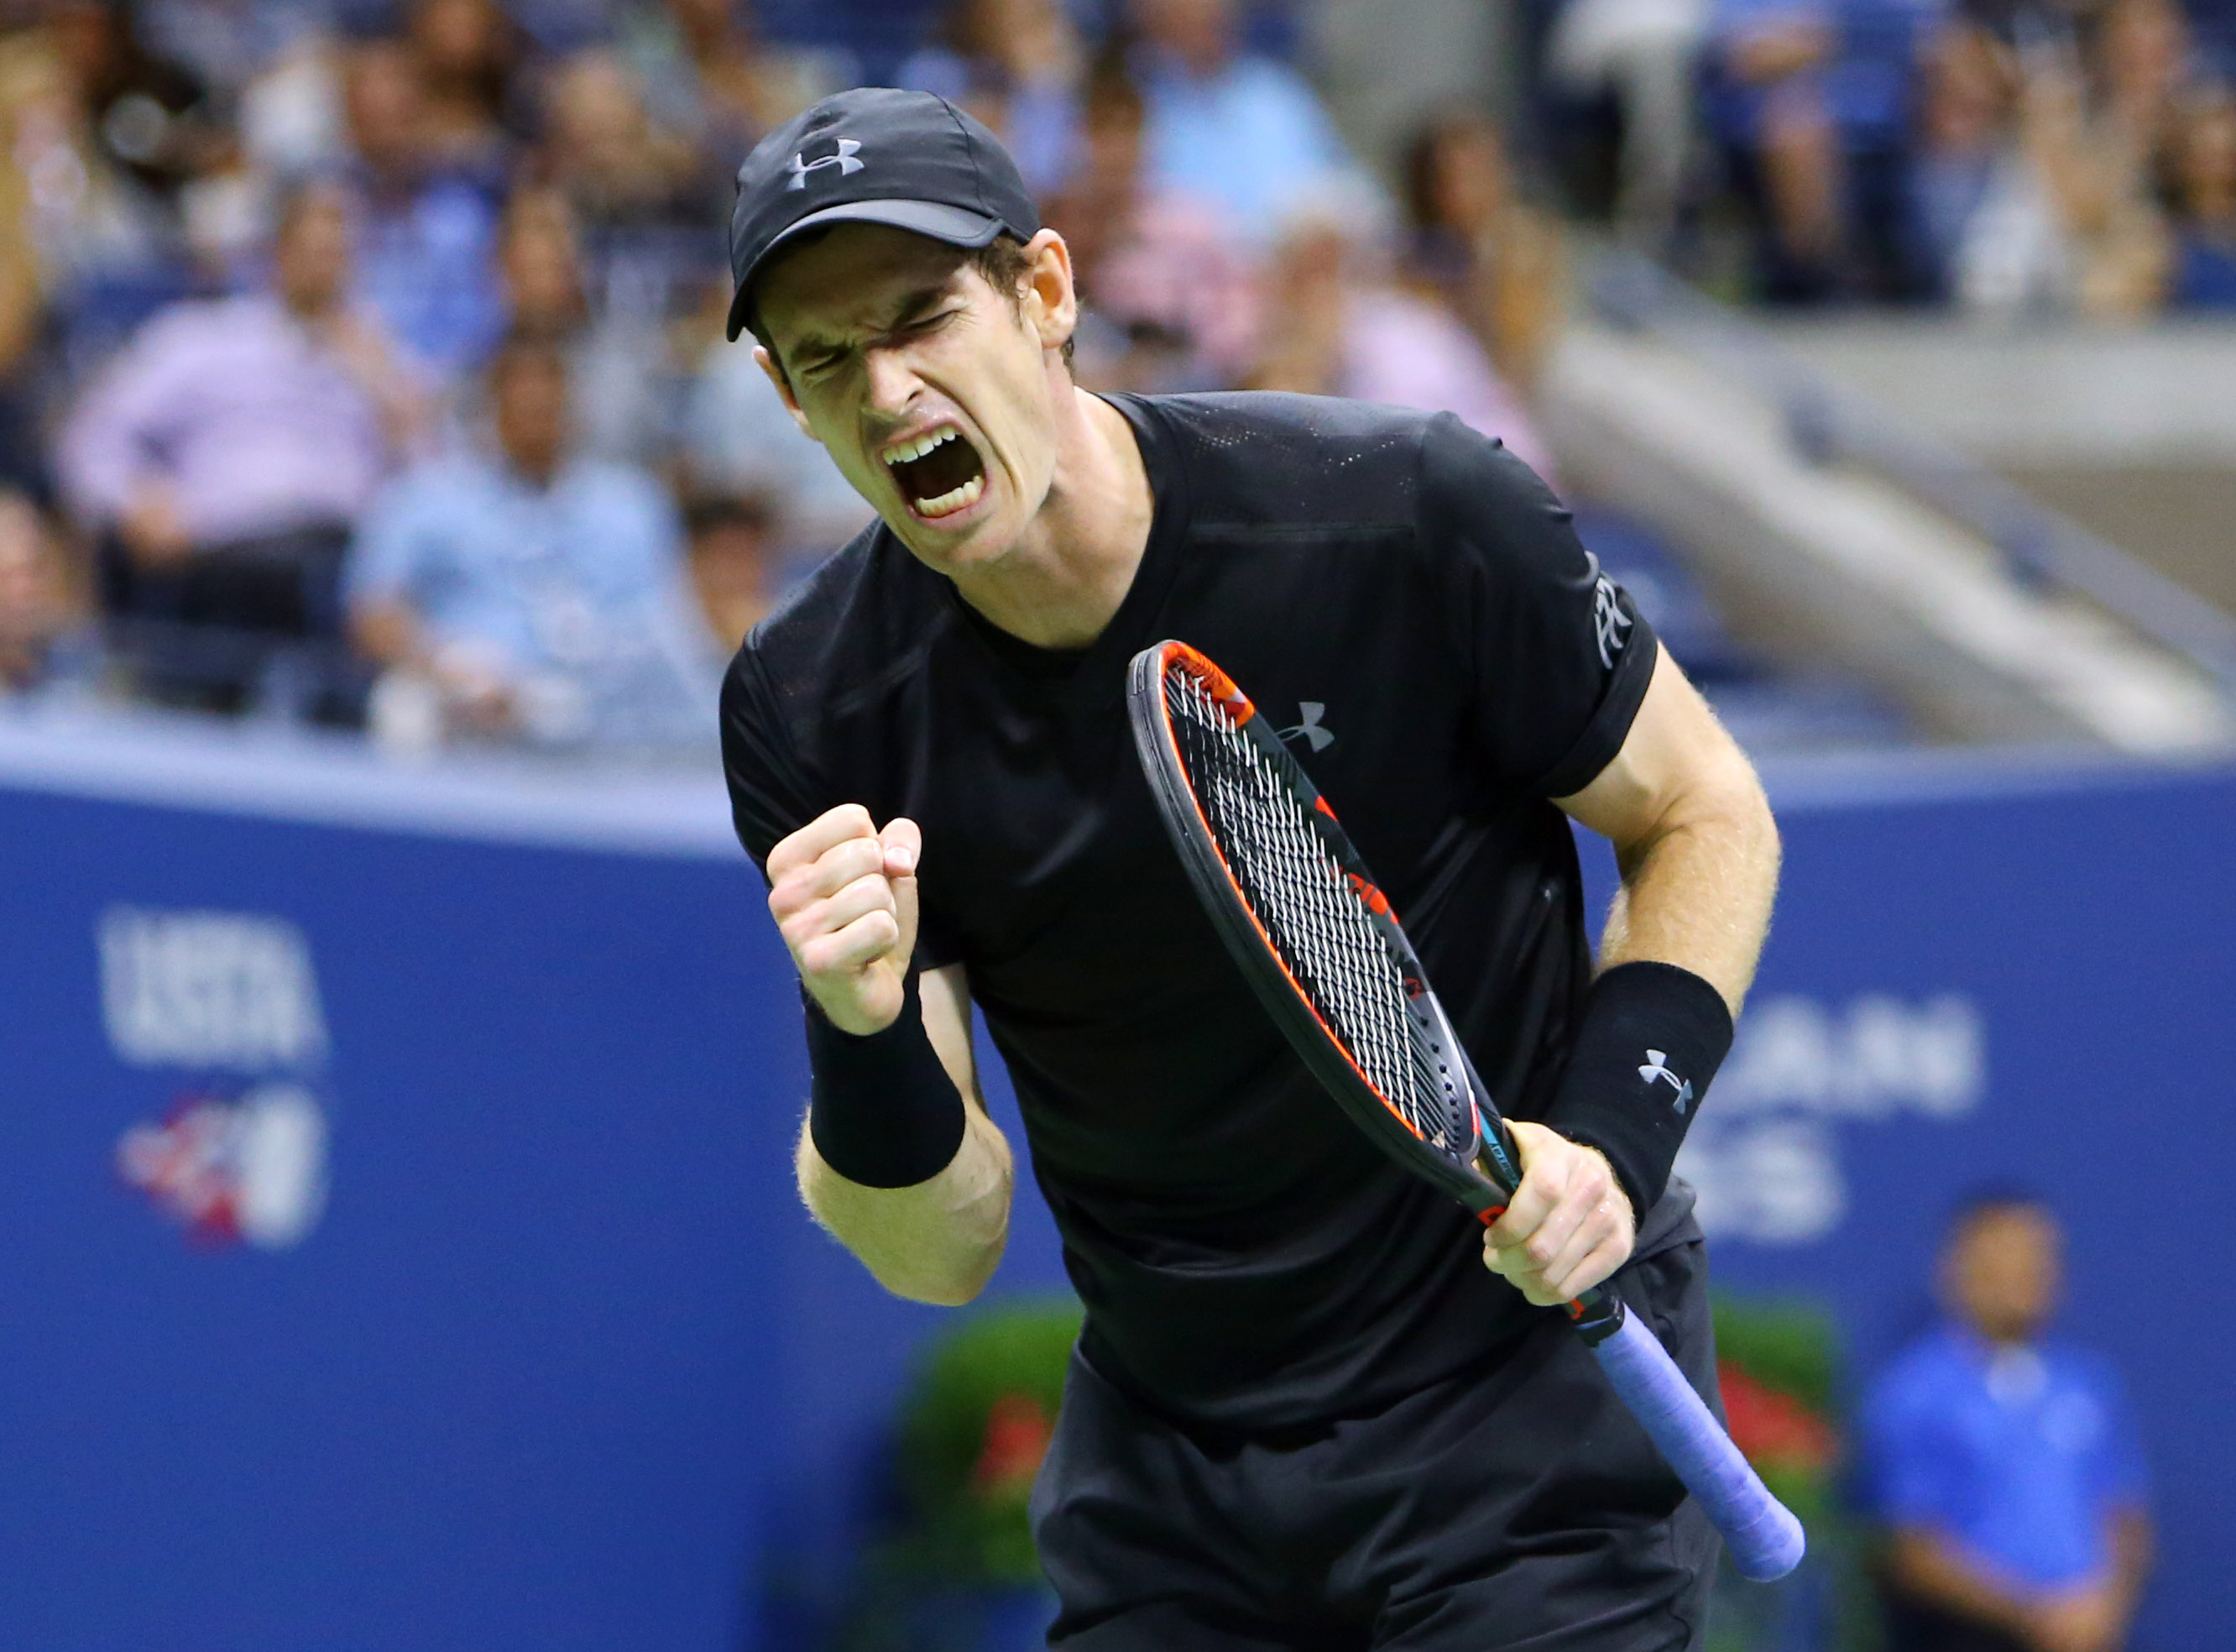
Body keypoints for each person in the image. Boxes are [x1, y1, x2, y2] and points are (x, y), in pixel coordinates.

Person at [717, 88, 1781, 1649]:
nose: (888, 391)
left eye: (923, 316)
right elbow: (938, 1246)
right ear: (789, 404)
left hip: (1512, 1403)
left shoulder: (1403, 511)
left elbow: (1702, 808)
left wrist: (1611, 1145)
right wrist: (854, 1016)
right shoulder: (814, 705)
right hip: (1174, 1468)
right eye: (827, 359)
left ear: (1047, 293)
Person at [55, 179, 424, 704]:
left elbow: (435, 483)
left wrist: (386, 387)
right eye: (314, 249)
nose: (328, 264)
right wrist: (134, 502)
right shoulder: (206, 339)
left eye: (341, 252)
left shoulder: (383, 358)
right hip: (228, 557)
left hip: (348, 565)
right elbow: (91, 436)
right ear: (277, 252)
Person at [347, 331, 717, 750]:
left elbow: (669, 624)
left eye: (548, 398)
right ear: (490, 407)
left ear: (571, 404)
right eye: (522, 398)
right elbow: (374, 613)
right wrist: (447, 666)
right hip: (465, 694)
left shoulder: (629, 503)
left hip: (600, 702)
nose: (537, 411)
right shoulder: (426, 498)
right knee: (403, 705)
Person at [1859, 1191, 2154, 1652]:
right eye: (2009, 1256)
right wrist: (2035, 1616)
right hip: (1970, 1638)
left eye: (2042, 1256)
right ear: (1958, 1269)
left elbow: (2124, 1512)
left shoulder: (2089, 1382)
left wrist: (2104, 1607)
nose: (2031, 1272)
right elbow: (1909, 1547)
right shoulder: (1912, 1393)